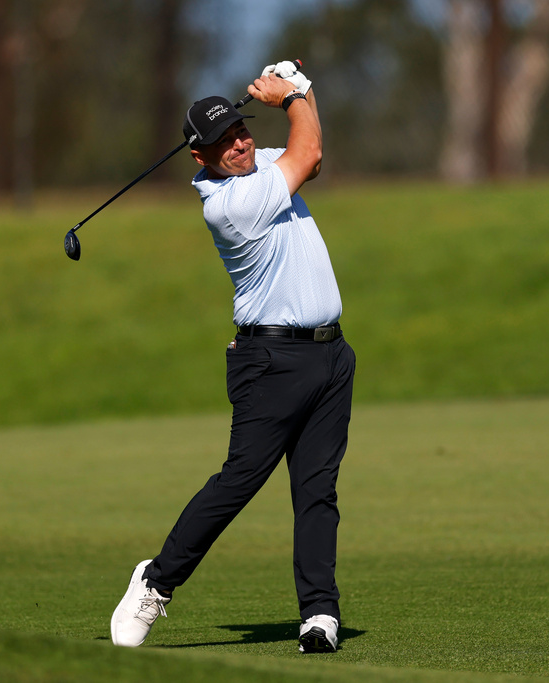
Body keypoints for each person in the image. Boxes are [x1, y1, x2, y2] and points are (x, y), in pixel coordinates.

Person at [110, 61, 355, 654]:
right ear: (201, 157)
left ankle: (318, 613)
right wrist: (294, 91)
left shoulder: (263, 164)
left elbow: (311, 155)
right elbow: (307, 147)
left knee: (317, 488)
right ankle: (156, 580)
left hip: (330, 355)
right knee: (240, 480)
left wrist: (301, 90)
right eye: (224, 142)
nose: (241, 144)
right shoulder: (230, 205)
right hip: (271, 360)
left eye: (241, 131)